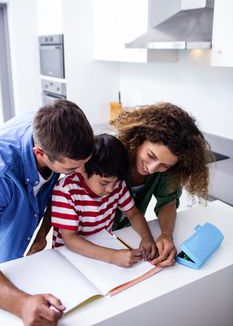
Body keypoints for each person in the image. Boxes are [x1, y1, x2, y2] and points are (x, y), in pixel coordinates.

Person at [0, 100, 94, 325]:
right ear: (39, 152)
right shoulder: (3, 175)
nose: (81, 174)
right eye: (71, 169)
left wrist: (42, 234)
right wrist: (20, 303)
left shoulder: (52, 129)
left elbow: (57, 190)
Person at [111, 102, 211, 267]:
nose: (152, 168)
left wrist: (166, 234)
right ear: (139, 138)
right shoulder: (110, 152)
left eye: (165, 165)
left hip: (128, 237)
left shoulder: (166, 171)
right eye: (151, 155)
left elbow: (168, 202)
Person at [51, 134, 157, 266]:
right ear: (84, 171)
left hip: (102, 251)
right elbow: (70, 239)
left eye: (116, 182)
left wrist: (147, 238)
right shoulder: (66, 190)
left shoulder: (116, 185)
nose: (110, 189)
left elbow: (133, 213)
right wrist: (112, 256)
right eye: (104, 183)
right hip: (68, 257)